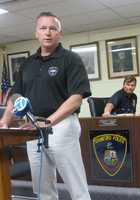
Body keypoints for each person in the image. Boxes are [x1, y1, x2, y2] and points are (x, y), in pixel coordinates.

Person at [0, 12, 91, 200]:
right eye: (43, 28)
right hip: (33, 128)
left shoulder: (70, 59)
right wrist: (4, 121)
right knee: (43, 189)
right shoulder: (27, 64)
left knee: (76, 187)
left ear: (60, 33)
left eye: (53, 28)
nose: (47, 32)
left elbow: (76, 98)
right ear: (36, 33)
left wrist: (48, 122)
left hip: (62, 126)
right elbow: (15, 95)